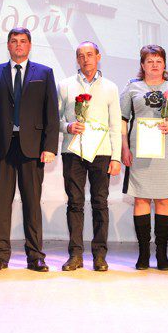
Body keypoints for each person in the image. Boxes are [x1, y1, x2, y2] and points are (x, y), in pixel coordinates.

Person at [0, 28, 59, 272]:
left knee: (32, 204)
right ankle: (0, 256)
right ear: (8, 45)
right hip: (2, 148)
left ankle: (35, 256)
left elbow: (51, 114)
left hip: (32, 148)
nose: (18, 45)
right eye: (14, 41)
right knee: (1, 204)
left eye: (23, 41)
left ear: (30, 45)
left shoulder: (44, 73)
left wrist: (50, 147)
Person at [120, 44, 168, 271]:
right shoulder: (132, 87)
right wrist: (124, 148)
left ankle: (162, 253)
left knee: (163, 200)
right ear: (142, 65)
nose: (154, 65)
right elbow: (122, 119)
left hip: (166, 151)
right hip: (139, 150)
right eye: (149, 61)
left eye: (158, 61)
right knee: (141, 199)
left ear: (164, 64)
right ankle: (143, 254)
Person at [57, 41, 122, 272]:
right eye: (81, 55)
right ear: (77, 59)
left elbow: (115, 125)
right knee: (74, 203)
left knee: (99, 203)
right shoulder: (65, 85)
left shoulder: (111, 88)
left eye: (90, 54)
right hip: (73, 151)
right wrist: (67, 127)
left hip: (101, 152)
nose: (86, 59)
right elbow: (54, 119)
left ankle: (99, 255)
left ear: (98, 57)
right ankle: (75, 255)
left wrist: (116, 157)